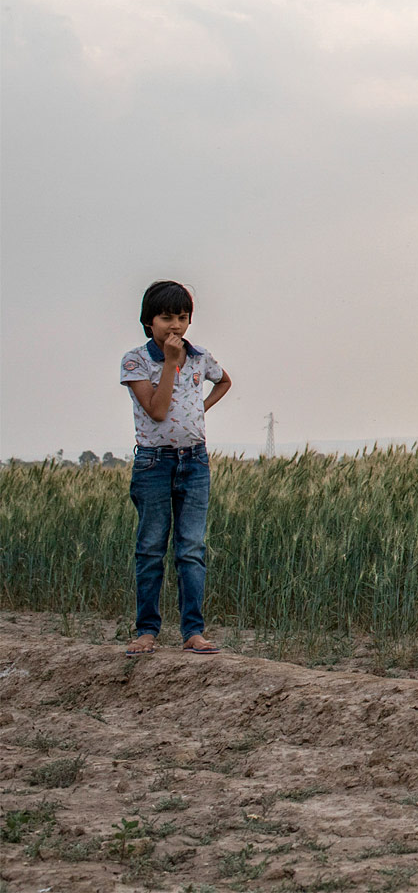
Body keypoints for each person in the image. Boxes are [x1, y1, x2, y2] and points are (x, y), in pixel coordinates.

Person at [118, 280, 231, 657]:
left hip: (194, 461)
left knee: (191, 549)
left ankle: (193, 631)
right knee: (151, 548)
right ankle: (147, 631)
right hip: (154, 463)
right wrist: (169, 362)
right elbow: (157, 410)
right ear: (148, 320)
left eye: (182, 318)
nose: (176, 326)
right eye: (167, 317)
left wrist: (200, 410)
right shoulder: (135, 360)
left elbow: (224, 381)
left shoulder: (200, 357)